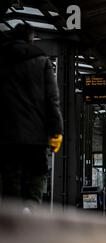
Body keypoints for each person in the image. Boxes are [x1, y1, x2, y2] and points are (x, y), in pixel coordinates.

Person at [0, 23, 63, 209]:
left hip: (6, 134)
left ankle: (11, 218)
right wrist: (56, 130)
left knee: (10, 177)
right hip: (36, 135)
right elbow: (52, 99)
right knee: (37, 174)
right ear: (31, 38)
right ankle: (31, 211)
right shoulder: (42, 60)